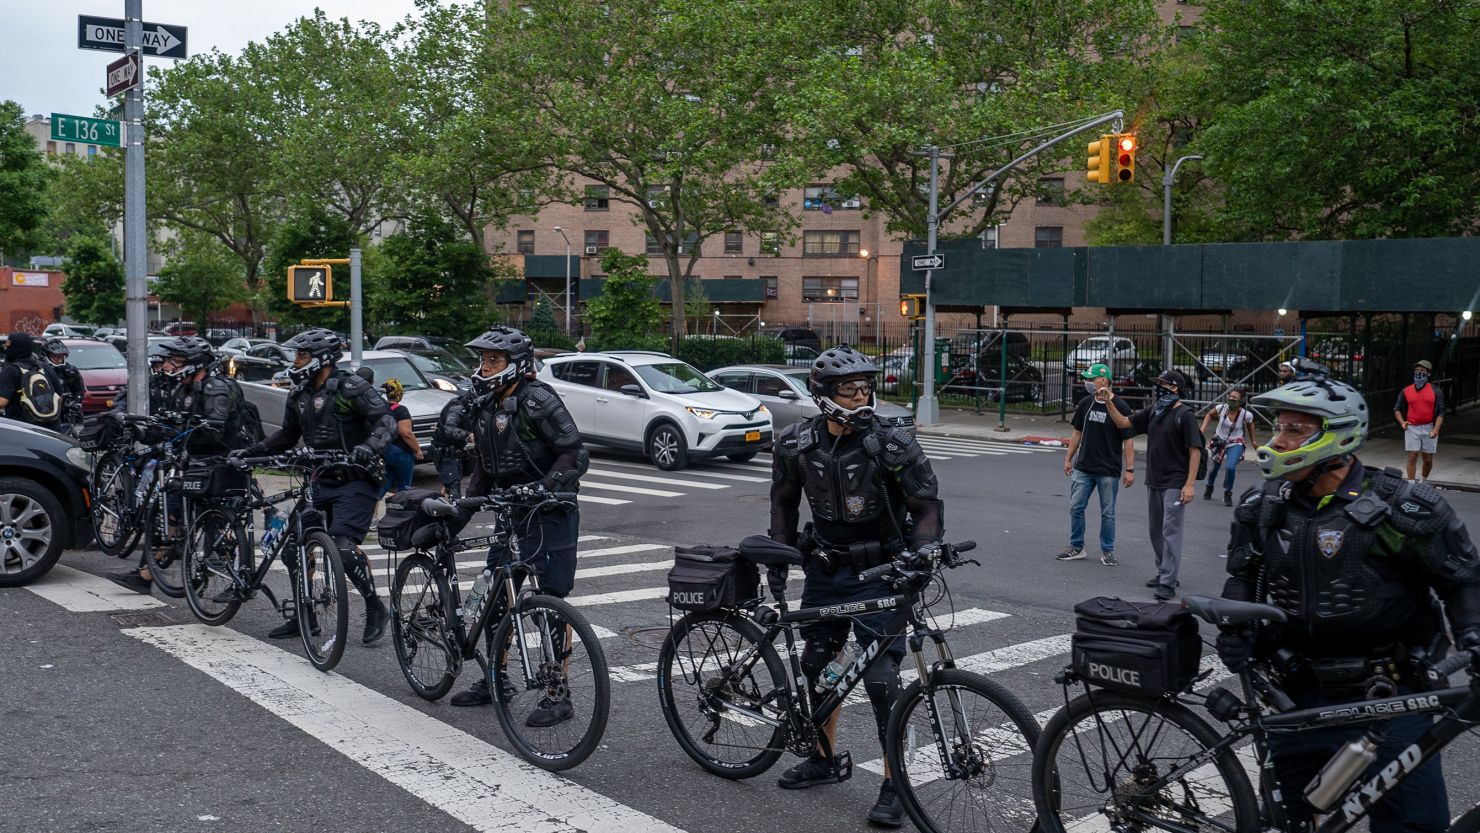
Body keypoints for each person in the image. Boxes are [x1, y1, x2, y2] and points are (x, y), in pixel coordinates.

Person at [1215, 375, 1480, 833]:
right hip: (1295, 698)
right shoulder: (1263, 505)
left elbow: (1461, 580)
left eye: (1295, 431)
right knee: (1292, 823)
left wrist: (1474, 637)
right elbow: (1242, 576)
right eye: (1279, 427)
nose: (1278, 440)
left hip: (1391, 698)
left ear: (1338, 435)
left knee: (1412, 825)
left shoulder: (1405, 508)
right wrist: (1235, 631)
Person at [769, 345, 943, 828]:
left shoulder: (891, 441)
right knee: (817, 666)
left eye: (867, 388)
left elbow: (927, 506)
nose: (861, 398)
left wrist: (922, 553)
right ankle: (823, 760)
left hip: (883, 572)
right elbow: (783, 502)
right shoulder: (795, 442)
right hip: (825, 569)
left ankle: (895, 785)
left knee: (882, 681)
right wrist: (780, 557)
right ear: (822, 395)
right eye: (850, 391)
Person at [447, 325, 588, 717]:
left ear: (516, 364)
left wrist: (545, 487)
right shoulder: (486, 403)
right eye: (483, 360)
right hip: (510, 515)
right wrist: (461, 511)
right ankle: (497, 680)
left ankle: (559, 695)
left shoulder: (538, 399)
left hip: (550, 513)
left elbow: (574, 454)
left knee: (548, 603)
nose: (485, 367)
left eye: (494, 360)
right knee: (494, 594)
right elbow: (487, 469)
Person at [232, 327, 395, 646]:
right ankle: (303, 616)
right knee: (294, 548)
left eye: (302, 354)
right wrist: (251, 453)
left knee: (343, 548)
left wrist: (370, 447)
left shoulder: (351, 387)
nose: (295, 360)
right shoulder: (299, 393)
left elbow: (385, 422)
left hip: (356, 479)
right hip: (319, 479)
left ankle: (375, 606)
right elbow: (286, 436)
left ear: (321, 358)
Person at [108, 336, 251, 593]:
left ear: (195, 364)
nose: (169, 366)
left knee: (219, 525)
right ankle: (146, 575)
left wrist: (180, 434)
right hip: (192, 463)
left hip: (221, 464)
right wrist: (141, 431)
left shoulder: (216, 389)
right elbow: (171, 427)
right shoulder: (181, 389)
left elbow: (213, 431)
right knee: (169, 513)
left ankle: (233, 579)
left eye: (176, 361)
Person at [1103, 369, 1202, 600]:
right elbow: (1124, 422)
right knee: (1155, 530)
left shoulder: (1185, 415)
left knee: (1171, 531)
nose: (1158, 387)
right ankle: (1164, 571)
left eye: (1162, 383)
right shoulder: (1155, 410)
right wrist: (1109, 401)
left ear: (1174, 388)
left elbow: (1195, 451)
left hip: (1175, 481)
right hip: (1155, 479)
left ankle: (1167, 582)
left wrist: (1189, 484)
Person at [1058, 363, 1134, 566]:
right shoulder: (1085, 403)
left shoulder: (1120, 406)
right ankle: (1076, 547)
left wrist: (1130, 469)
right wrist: (1068, 459)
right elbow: (1077, 433)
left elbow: (1128, 440)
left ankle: (1107, 550)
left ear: (1104, 380)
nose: (1088, 383)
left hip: (1108, 470)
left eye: (1092, 379)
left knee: (1108, 513)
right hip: (1083, 467)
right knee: (1076, 507)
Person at [1200, 387, 1256, 506]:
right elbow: (1209, 415)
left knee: (1230, 467)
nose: (1231, 399)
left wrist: (1254, 441)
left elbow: (1251, 426)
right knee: (1214, 468)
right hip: (1220, 440)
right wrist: (1202, 430)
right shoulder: (1221, 408)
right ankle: (1209, 486)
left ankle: (1228, 492)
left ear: (1241, 401)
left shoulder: (1246, 414)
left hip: (1236, 442)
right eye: (1230, 397)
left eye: (1234, 398)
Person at [0, 332, 64, 430]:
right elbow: (59, 396)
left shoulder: (10, 370)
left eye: (9, 346)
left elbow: (2, 402)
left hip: (23, 429)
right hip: (52, 428)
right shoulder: (44, 367)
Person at [1394, 359, 1444, 483]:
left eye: (1422, 370)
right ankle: (1411, 484)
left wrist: (1436, 429)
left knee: (1427, 459)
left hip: (1429, 427)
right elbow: (1397, 409)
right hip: (1412, 427)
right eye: (1416, 370)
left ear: (1428, 374)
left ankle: (1422, 481)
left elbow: (1441, 413)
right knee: (1412, 455)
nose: (1418, 373)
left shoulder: (1436, 391)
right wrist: (1402, 422)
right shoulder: (1406, 391)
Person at [380, 377, 423, 495]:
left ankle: (372, 511)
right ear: (399, 393)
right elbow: (406, 433)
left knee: (384, 485)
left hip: (383, 450)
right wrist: (417, 449)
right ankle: (401, 511)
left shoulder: (381, 408)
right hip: (400, 452)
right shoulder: (401, 410)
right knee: (404, 487)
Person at [40, 338, 85, 433]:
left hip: (65, 412)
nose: (59, 360)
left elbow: (78, 389)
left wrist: (77, 403)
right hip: (44, 411)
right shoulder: (39, 370)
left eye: (61, 357)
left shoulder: (70, 371)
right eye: (55, 356)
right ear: (46, 356)